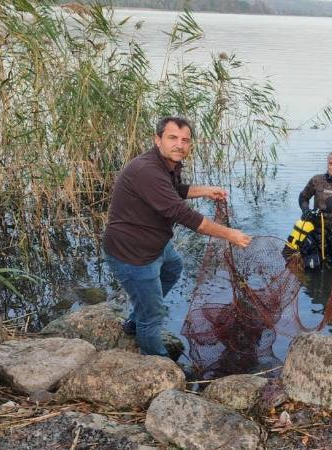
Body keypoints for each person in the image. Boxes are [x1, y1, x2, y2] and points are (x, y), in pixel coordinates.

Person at [103, 116, 252, 360]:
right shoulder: (147, 171)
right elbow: (181, 214)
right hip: (133, 254)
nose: (179, 145)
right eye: (172, 138)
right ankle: (158, 364)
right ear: (157, 139)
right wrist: (230, 235)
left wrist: (205, 190)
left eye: (185, 140)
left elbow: (174, 191)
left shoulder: (166, 165)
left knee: (173, 268)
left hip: (154, 244)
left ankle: (134, 321)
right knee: (153, 316)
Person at [296, 150, 332, 266]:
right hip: (316, 235)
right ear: (327, 164)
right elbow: (303, 197)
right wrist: (306, 211)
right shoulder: (317, 180)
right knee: (312, 267)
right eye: (331, 163)